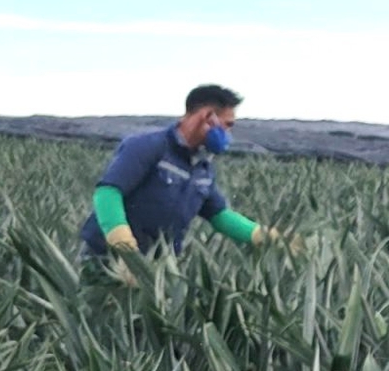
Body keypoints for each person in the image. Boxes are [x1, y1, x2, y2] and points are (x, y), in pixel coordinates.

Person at [79, 85, 285, 258]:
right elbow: (108, 193)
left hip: (158, 266)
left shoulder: (202, 167)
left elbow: (218, 215)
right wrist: (123, 247)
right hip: (108, 259)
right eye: (227, 125)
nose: (229, 134)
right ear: (207, 117)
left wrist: (264, 236)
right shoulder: (148, 146)